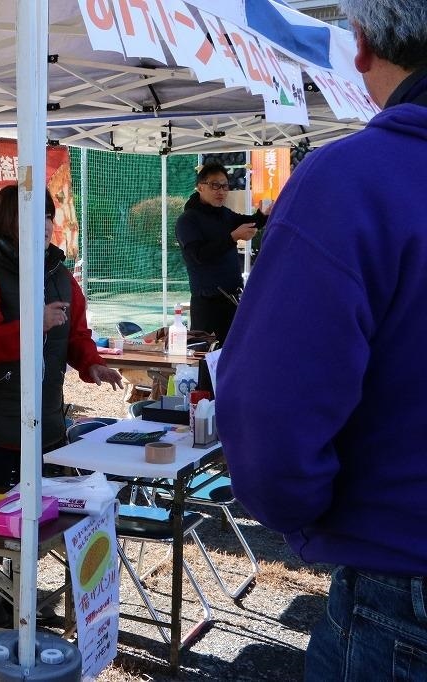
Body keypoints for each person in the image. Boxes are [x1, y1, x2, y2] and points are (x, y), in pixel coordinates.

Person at [216, 2, 427, 679]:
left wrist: (310, 517)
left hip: (401, 583)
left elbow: (269, 419)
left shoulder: (356, 179)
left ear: (360, 45)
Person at [0, 184, 122, 624]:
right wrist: (31, 324)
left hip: (47, 421)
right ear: (12, 223)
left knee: (42, 519)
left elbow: (76, 336)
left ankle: (23, 599)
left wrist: (91, 365)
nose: (49, 224)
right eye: (39, 216)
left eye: (49, 216)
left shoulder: (60, 273)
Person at [174, 163, 270, 345]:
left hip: (232, 299)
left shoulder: (224, 214)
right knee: (207, 359)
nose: (221, 191)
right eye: (214, 185)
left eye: (225, 186)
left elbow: (249, 223)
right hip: (207, 303)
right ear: (200, 187)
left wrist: (263, 215)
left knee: (232, 353)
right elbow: (198, 256)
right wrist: (232, 237)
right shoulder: (188, 220)